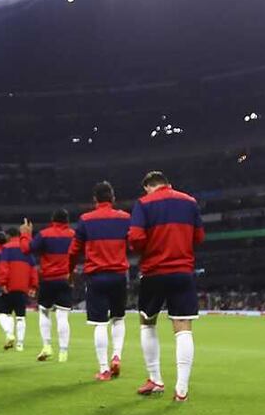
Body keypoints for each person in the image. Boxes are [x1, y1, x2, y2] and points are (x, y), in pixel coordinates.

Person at [128, 171, 205, 401]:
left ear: (148, 187)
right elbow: (199, 237)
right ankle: (181, 389)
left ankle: (156, 379)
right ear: (168, 184)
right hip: (183, 271)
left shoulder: (143, 203)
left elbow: (135, 238)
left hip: (155, 271)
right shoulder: (189, 202)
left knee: (147, 323)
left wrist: (150, 249)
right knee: (183, 328)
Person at [69, 181, 131, 382]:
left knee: (99, 323)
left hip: (96, 276)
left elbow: (74, 250)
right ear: (113, 198)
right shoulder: (125, 219)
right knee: (118, 318)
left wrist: (69, 270)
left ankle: (104, 369)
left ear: (95, 199)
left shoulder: (86, 220)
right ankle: (117, 355)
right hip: (119, 275)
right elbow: (134, 243)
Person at [19, 209, 76, 363]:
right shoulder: (73, 235)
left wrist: (25, 234)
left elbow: (26, 249)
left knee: (44, 312)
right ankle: (63, 352)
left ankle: (47, 346)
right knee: (63, 316)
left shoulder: (45, 234)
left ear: (53, 220)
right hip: (65, 279)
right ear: (67, 221)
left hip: (48, 280)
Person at [0, 227, 37, 352]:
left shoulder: (6, 247)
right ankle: (20, 344)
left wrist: (3, 283)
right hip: (23, 286)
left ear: (9, 236)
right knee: (21, 316)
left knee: (5, 314)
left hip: (10, 286)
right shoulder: (27, 248)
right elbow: (33, 269)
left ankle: (9, 334)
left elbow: (4, 267)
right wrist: (33, 285)